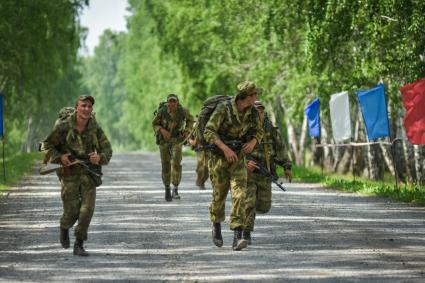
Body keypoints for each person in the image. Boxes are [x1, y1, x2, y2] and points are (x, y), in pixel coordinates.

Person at [42, 95, 112, 256]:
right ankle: (64, 227)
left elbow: (108, 149)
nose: (86, 109)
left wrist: (100, 158)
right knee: (72, 212)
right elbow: (46, 145)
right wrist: (61, 157)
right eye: (83, 106)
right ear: (77, 107)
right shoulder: (64, 126)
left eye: (89, 106)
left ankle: (79, 244)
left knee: (87, 210)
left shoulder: (95, 127)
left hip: (89, 173)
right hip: (69, 174)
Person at [203, 81, 263, 251]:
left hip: (238, 159)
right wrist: (224, 148)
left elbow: (259, 131)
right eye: (255, 94)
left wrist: (253, 142)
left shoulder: (252, 112)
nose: (257, 97)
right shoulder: (224, 108)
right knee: (219, 196)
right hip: (219, 159)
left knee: (240, 194)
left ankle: (237, 235)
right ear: (248, 96)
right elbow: (209, 131)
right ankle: (216, 224)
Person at [245, 100, 292, 245]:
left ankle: (247, 220)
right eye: (256, 110)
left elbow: (280, 148)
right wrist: (244, 162)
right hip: (248, 172)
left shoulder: (270, 128)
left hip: (266, 171)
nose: (259, 112)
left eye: (261, 110)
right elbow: (234, 147)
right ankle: (245, 232)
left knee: (264, 206)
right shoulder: (244, 127)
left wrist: (286, 166)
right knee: (249, 203)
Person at [152, 93, 194, 201]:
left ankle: (175, 188)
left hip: (177, 140)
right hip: (164, 140)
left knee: (176, 163)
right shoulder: (162, 112)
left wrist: (187, 131)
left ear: (177, 102)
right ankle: (167, 188)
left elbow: (191, 120)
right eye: (170, 101)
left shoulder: (182, 111)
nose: (172, 104)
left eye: (174, 101)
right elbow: (155, 124)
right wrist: (162, 130)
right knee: (165, 164)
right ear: (167, 103)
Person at [188, 119, 209, 190]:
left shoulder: (212, 123)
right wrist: (192, 142)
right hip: (200, 147)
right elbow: (190, 137)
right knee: (200, 166)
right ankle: (200, 181)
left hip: (209, 148)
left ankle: (202, 181)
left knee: (207, 167)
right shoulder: (196, 125)